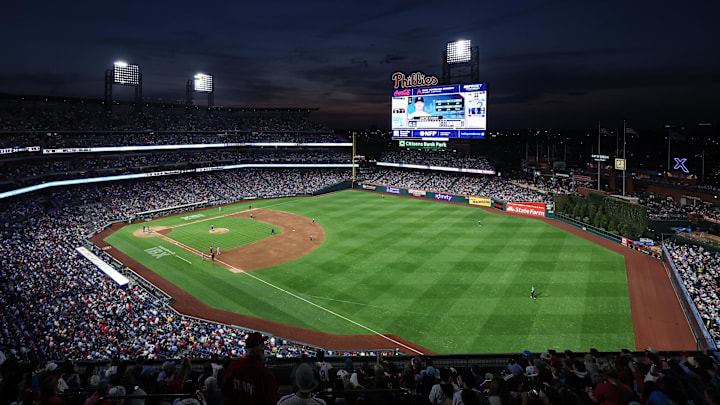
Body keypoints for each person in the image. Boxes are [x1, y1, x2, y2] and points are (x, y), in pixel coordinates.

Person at [221, 332, 280, 404]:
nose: (264, 349)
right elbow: (272, 400)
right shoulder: (265, 373)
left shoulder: (234, 365)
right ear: (256, 351)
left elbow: (224, 391)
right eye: (262, 346)